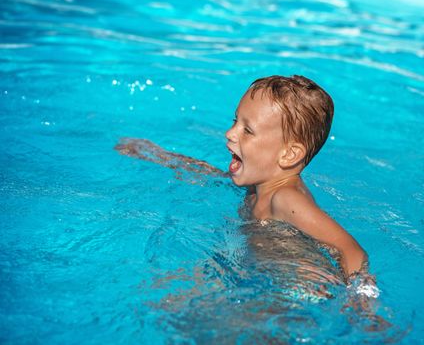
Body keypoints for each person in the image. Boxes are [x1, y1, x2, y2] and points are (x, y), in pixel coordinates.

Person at [116, 75, 368, 280]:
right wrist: (161, 156)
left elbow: (351, 250)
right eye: (235, 121)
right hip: (257, 271)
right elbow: (213, 175)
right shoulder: (258, 185)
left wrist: (362, 302)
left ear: (289, 154)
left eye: (247, 130)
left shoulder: (285, 198)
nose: (229, 133)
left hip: (296, 288)